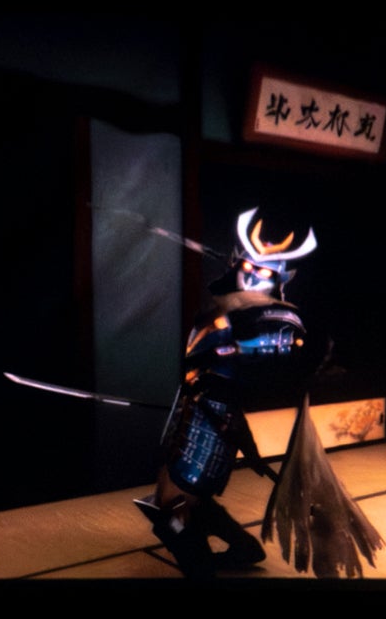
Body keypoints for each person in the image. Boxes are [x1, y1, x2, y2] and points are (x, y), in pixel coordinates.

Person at [133, 207, 326, 579]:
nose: (252, 276)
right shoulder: (230, 306)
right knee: (172, 494)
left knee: (171, 505)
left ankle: (202, 571)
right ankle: (243, 548)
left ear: (280, 278)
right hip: (197, 407)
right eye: (248, 267)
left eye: (264, 273)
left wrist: (236, 346)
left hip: (216, 417)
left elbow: (291, 347)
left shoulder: (278, 317)